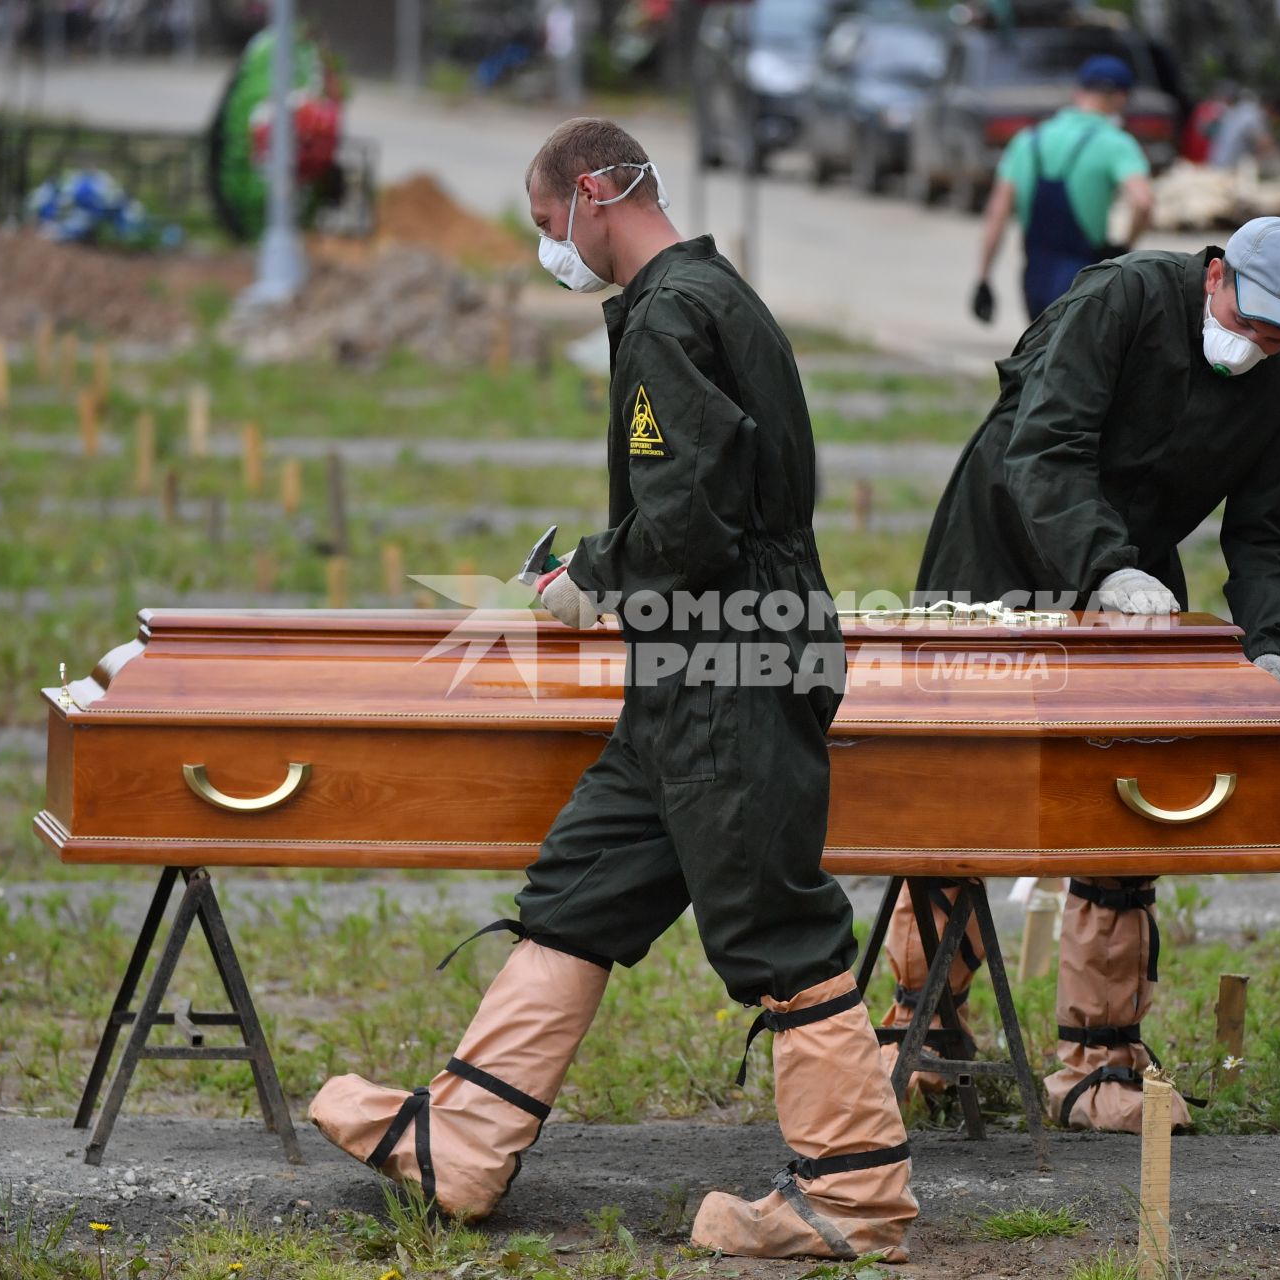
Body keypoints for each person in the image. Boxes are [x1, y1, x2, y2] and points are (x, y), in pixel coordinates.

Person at [309, 118, 917, 1263]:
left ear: (593, 191)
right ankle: (465, 1141)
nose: (555, 249)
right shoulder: (713, 295)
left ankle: (854, 1194)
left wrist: (597, 575)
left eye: (550, 225)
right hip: (697, 662)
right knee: (584, 882)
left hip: (725, 658)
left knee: (775, 921)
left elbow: (692, 513)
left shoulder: (671, 312)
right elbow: (712, 485)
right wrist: (604, 563)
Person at [884, 216, 1280, 1134]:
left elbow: (1271, 534)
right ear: (1216, 275)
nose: (1254, 348)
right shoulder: (1119, 300)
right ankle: (919, 1022)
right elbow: (1042, 449)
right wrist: (1101, 569)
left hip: (1130, 568)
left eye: (1278, 337)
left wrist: (1275, 644)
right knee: (960, 783)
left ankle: (1099, 1061)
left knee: (1129, 782)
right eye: (1247, 322)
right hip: (998, 543)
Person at [971, 53, 1155, 327]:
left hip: (1034, 275)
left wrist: (984, 277)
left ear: (1079, 91)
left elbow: (997, 212)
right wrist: (1124, 246)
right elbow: (1143, 202)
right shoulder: (1115, 143)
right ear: (1120, 98)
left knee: (1039, 356)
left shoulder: (1027, 140)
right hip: (1084, 278)